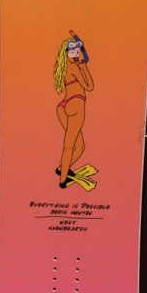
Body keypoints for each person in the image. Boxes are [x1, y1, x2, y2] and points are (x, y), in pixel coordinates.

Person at [53, 32, 93, 187]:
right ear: (67, 53)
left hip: (63, 106)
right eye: (73, 52)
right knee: (69, 146)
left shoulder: (63, 67)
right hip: (76, 104)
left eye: (78, 51)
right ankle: (63, 180)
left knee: (80, 146)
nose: (76, 54)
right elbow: (89, 86)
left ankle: (61, 169)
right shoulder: (74, 67)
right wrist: (84, 67)